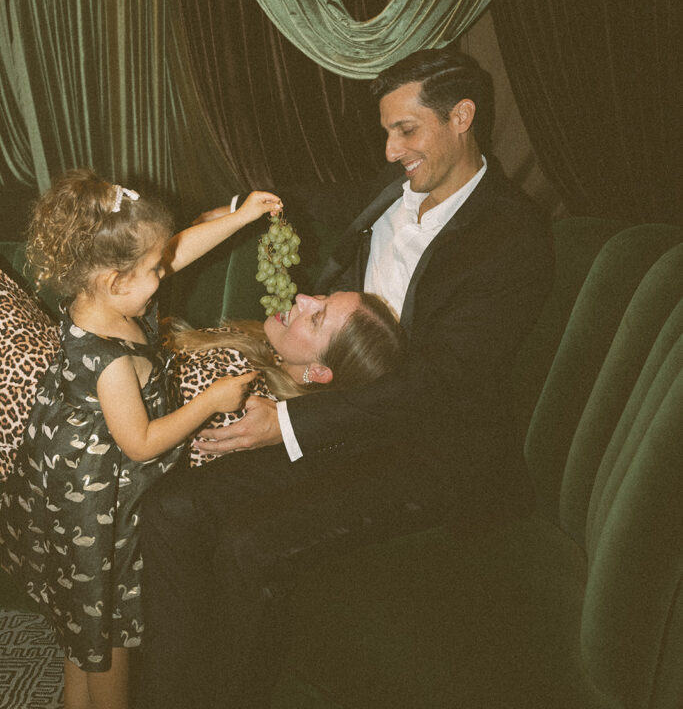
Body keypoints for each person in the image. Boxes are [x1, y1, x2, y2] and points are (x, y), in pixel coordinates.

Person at [139, 48, 555, 709]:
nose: (390, 151)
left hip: (427, 450)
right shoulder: (391, 193)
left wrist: (285, 423)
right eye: (387, 132)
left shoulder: (509, 237)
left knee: (251, 542)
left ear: (462, 117)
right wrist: (244, 207)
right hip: (337, 423)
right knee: (169, 508)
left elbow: (442, 384)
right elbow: (300, 203)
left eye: (405, 130)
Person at [0, 169, 283, 709]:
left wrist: (242, 216)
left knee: (84, 627)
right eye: (154, 269)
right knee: (107, 641)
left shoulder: (107, 296)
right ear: (116, 280)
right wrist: (209, 403)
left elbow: (176, 251)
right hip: (95, 496)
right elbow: (141, 442)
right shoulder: (109, 356)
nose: (166, 271)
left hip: (74, 469)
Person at [167, 291, 403, 466]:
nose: (302, 298)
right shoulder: (269, 349)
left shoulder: (246, 407)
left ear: (319, 371)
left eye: (315, 318)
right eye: (323, 297)